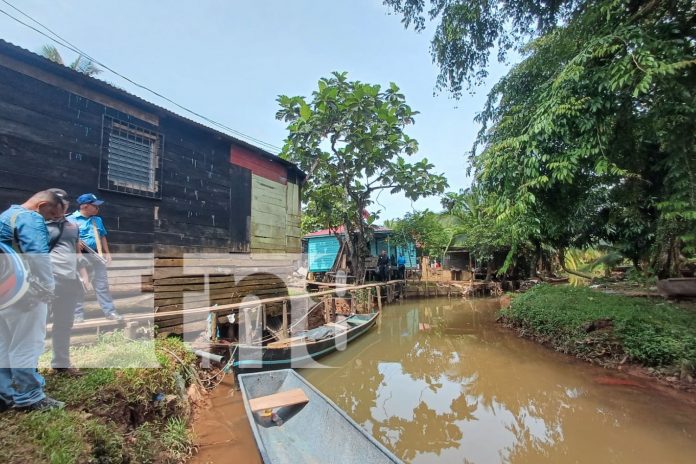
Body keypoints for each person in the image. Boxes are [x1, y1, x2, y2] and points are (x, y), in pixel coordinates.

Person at [0, 190, 65, 411]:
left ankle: (5, 394)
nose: (50, 220)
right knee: (27, 343)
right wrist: (48, 289)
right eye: (51, 215)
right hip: (25, 292)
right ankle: (30, 397)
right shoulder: (30, 218)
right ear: (42, 205)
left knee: (4, 343)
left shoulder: (5, 216)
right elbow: (38, 254)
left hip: (4, 292)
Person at [46, 189, 91, 375]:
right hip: (47, 280)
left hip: (69, 280)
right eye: (57, 205)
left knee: (64, 323)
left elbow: (76, 251)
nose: (61, 209)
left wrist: (84, 275)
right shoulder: (38, 225)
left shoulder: (73, 226)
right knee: (39, 324)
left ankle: (61, 363)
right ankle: (29, 367)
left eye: (64, 205)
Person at [69, 193, 123, 322]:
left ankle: (110, 312)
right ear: (86, 206)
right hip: (80, 258)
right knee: (80, 285)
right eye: (95, 206)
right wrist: (75, 242)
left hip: (97, 257)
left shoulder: (97, 220)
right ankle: (77, 315)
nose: (98, 208)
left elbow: (102, 235)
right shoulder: (70, 220)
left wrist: (107, 252)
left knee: (102, 286)